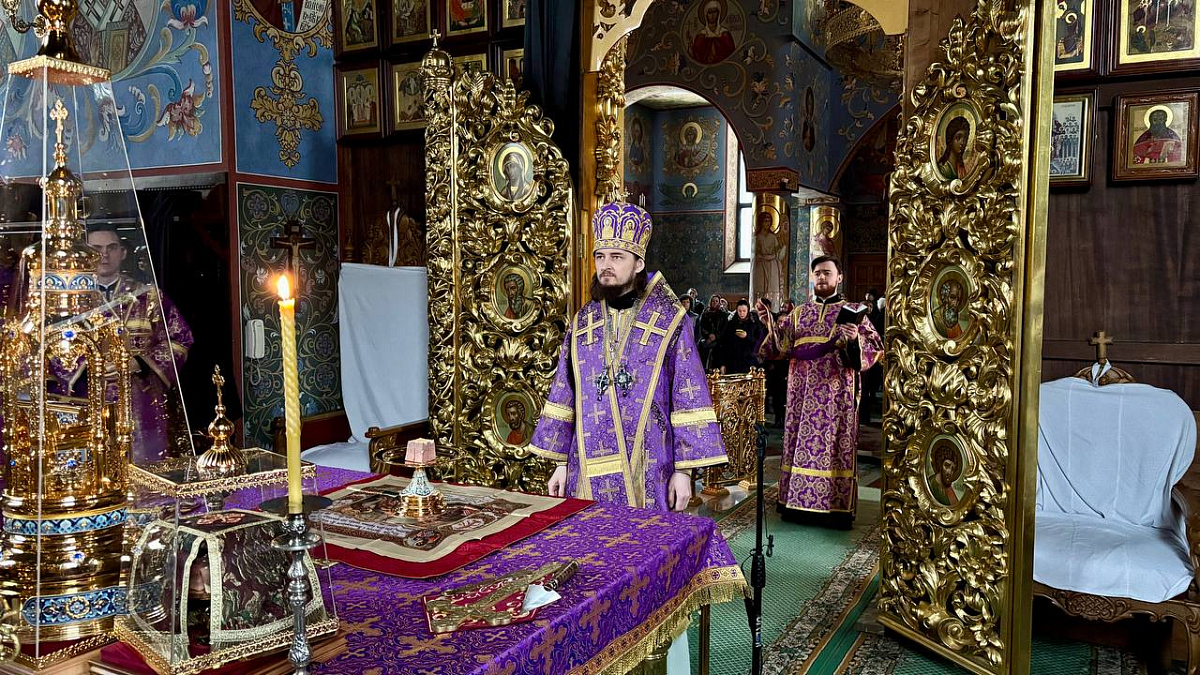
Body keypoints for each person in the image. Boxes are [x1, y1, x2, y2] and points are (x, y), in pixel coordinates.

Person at [530, 201, 727, 512]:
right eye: (600, 256)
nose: (606, 265)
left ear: (638, 264)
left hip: (649, 467)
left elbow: (688, 394)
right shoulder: (583, 323)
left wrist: (684, 471)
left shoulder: (669, 321)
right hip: (585, 466)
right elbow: (564, 392)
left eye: (617, 257)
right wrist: (561, 464)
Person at [756, 255, 882, 528]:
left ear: (839, 278)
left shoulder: (854, 312)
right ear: (812, 278)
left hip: (836, 398)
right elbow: (777, 349)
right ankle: (795, 504)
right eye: (818, 273)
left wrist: (854, 340)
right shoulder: (799, 313)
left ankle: (834, 509)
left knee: (834, 447)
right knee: (800, 444)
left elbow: (874, 349)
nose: (822, 277)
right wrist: (768, 323)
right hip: (801, 396)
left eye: (827, 273)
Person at [52, 224, 193, 465]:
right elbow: (52, 346)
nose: (104, 255)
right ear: (86, 254)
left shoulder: (148, 295)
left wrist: (139, 363)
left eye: (112, 247)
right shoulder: (67, 300)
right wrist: (89, 365)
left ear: (123, 252)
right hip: (87, 396)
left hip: (140, 398)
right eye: (96, 249)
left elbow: (179, 338)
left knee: (144, 464)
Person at [716, 299, 764, 375]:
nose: (742, 313)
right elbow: (723, 345)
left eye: (744, 311)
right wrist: (722, 364)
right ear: (736, 310)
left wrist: (747, 336)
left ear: (748, 311)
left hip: (749, 363)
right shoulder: (730, 324)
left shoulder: (754, 324)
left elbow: (759, 343)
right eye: (740, 311)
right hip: (732, 363)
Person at [698, 294, 727, 371]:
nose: (714, 303)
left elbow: (724, 329)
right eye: (713, 301)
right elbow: (702, 327)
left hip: (719, 341)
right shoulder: (705, 314)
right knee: (701, 346)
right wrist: (708, 335)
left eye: (716, 301)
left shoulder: (723, 315)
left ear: (719, 303)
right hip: (706, 338)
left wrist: (716, 336)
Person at [937, 116, 971, 181]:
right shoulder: (943, 168)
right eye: (958, 138)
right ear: (950, 140)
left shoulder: (961, 168)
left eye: (965, 139)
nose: (962, 143)